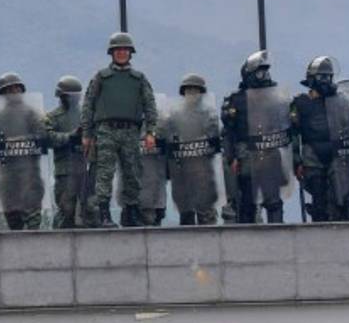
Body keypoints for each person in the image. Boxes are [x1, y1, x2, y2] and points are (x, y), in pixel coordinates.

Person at [80, 32, 158, 227]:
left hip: (131, 131)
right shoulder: (101, 77)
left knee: (133, 172)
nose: (122, 53)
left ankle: (131, 212)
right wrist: (87, 134)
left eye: (125, 49)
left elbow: (150, 105)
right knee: (105, 173)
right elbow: (88, 105)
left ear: (131, 53)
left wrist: (151, 132)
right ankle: (104, 214)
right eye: (118, 50)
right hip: (106, 130)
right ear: (111, 53)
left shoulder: (139, 79)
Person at [222, 51, 292, 224]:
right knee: (247, 201)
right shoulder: (236, 100)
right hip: (246, 155)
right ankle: (247, 236)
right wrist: (231, 158)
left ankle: (278, 233)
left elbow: (287, 126)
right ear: (249, 74)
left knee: (274, 201)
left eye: (266, 72)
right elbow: (229, 132)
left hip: (270, 153)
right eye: (260, 72)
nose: (265, 75)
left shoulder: (276, 99)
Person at [291, 58, 349, 221]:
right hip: (312, 156)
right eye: (321, 77)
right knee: (319, 200)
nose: (325, 81)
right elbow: (294, 134)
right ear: (311, 79)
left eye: (328, 77)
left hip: (338, 154)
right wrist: (296, 161)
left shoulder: (340, 100)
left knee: (347, 197)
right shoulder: (300, 103)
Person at [0, 72, 47, 231]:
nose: (13, 92)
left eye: (16, 89)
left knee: (33, 219)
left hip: (29, 173)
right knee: (12, 219)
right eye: (9, 90)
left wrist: (23, 139)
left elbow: (42, 135)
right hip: (8, 174)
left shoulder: (31, 113)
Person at [166, 73, 221, 225]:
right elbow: (170, 140)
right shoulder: (174, 115)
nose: (192, 94)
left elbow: (213, 137)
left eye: (195, 90)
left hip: (203, 168)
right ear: (183, 92)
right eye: (188, 90)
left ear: (201, 93)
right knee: (185, 211)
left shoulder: (208, 114)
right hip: (182, 169)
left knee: (206, 211)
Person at [44, 75, 94, 228]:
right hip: (65, 169)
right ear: (61, 96)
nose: (73, 99)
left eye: (75, 96)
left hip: (86, 167)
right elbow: (47, 138)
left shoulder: (87, 115)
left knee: (90, 209)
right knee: (66, 209)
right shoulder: (53, 117)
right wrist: (69, 136)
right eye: (69, 96)